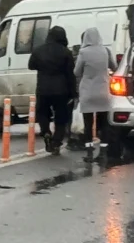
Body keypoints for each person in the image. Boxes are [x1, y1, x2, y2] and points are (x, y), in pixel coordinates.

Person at [28, 26, 77, 154]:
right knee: (61, 116)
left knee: (42, 112)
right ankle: (56, 141)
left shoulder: (38, 51)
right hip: (61, 90)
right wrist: (74, 93)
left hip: (43, 88)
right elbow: (70, 74)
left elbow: (31, 65)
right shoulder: (66, 52)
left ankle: (45, 132)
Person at [74, 27, 118, 161]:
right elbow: (114, 67)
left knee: (88, 124)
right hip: (103, 91)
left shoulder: (83, 52)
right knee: (104, 123)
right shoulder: (106, 51)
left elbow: (77, 72)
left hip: (87, 91)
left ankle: (89, 152)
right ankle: (103, 152)